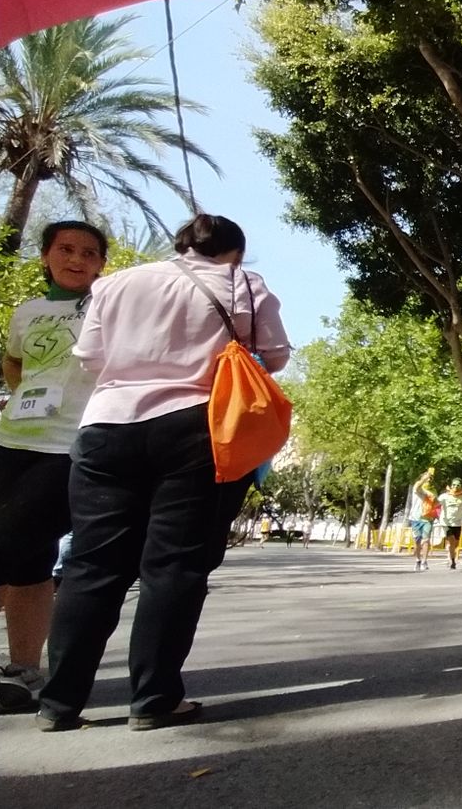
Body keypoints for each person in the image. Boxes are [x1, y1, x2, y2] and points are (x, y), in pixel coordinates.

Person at [37, 213, 290, 732]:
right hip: (195, 428)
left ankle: (59, 703)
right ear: (235, 253)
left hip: (106, 427)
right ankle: (153, 699)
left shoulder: (116, 283)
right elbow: (276, 356)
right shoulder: (245, 282)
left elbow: (90, 357)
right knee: (174, 565)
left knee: (91, 565)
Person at [0, 221, 108, 713]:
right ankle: (25, 670)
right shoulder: (28, 311)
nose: (77, 259)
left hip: (69, 448)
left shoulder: (107, 307)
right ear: (45, 256)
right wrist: (25, 396)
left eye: (89, 253)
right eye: (65, 249)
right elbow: (14, 361)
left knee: (12, 541)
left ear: (102, 264)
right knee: (27, 560)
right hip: (11, 441)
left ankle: (23, 669)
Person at [436, 478, 462, 570]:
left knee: (455, 544)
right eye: (454, 485)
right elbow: (436, 505)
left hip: (457, 523)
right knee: (452, 540)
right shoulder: (444, 496)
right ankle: (452, 561)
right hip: (446, 522)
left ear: (461, 487)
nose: (455, 487)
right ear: (451, 486)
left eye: (458, 485)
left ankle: (450, 554)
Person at [407, 468, 438, 571]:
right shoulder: (417, 487)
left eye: (430, 479)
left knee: (426, 540)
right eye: (427, 478)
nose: (429, 480)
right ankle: (417, 560)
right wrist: (426, 476)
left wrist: (436, 514)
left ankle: (424, 561)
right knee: (417, 541)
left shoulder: (433, 491)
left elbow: (437, 503)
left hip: (427, 518)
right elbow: (419, 485)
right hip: (415, 518)